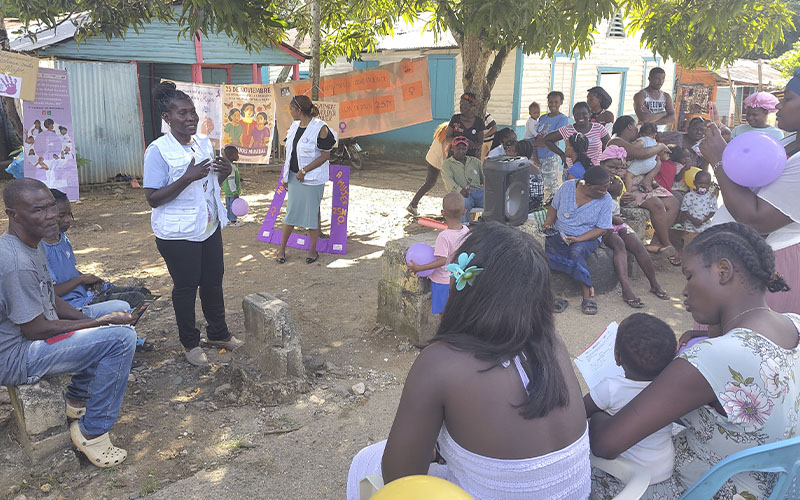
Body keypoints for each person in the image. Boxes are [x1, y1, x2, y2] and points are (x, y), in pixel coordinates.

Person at [346, 222, 591, 500]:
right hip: (578, 494)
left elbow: (400, 480)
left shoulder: (440, 362)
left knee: (365, 461)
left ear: (462, 285)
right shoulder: (553, 343)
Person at [589, 222, 799, 499]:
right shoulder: (794, 324)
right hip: (777, 489)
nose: (685, 291)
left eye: (689, 276)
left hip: (697, 489)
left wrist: (601, 410)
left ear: (723, 271)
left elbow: (605, 444)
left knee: (584, 472)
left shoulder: (713, 357)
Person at [0, 178, 137, 468]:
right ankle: (92, 432)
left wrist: (95, 322)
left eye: (51, 206)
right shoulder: (15, 262)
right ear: (13, 214)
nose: (51, 215)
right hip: (16, 357)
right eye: (38, 210)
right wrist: (98, 323)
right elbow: (35, 329)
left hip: (33, 337)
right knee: (121, 339)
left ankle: (75, 401)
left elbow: (50, 298)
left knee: (110, 328)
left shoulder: (32, 243)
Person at [143, 81, 242, 367]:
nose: (191, 118)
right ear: (167, 118)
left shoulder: (202, 143)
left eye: (193, 112)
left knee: (213, 281)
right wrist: (186, 177)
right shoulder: (158, 151)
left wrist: (223, 173)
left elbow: (208, 186)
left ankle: (218, 334)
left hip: (208, 226)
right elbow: (152, 199)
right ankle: (190, 343)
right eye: (182, 113)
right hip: (177, 234)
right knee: (186, 286)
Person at [699, 69, 800, 315]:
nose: (778, 106)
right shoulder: (790, 143)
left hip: (768, 266)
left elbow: (756, 220)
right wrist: (729, 153)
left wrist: (719, 160)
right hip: (743, 258)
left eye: (788, 98)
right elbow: (751, 185)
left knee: (746, 332)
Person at [42, 189, 152, 349]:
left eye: (69, 214)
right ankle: (118, 340)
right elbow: (51, 293)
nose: (67, 220)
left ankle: (126, 335)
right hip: (73, 305)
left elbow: (69, 270)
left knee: (144, 294)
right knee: (133, 300)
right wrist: (80, 279)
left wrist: (89, 281)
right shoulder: (40, 250)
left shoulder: (62, 238)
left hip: (85, 293)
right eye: (62, 216)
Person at [585, 313, 677, 489]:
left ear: (617, 357)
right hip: (663, 476)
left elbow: (580, 412)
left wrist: (600, 415)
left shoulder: (611, 388)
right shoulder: (671, 390)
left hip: (621, 479)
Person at [542, 166, 613, 315]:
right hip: (561, 233)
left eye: (607, 188)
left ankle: (587, 293)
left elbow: (602, 229)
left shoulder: (606, 199)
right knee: (543, 251)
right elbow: (553, 208)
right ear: (588, 185)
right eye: (601, 189)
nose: (605, 192)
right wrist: (548, 223)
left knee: (576, 252)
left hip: (587, 237)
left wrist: (578, 239)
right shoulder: (567, 187)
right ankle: (551, 297)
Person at [277, 95, 337, 265]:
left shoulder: (320, 128)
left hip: (311, 180)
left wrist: (305, 170)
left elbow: (325, 155)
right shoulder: (294, 126)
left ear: (299, 110)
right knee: (291, 213)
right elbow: (290, 153)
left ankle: (312, 249)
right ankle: (281, 248)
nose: (289, 112)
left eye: (291, 109)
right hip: (294, 177)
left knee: (312, 215)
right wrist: (286, 176)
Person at [607, 117, 678, 254]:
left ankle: (656, 242)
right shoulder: (616, 141)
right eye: (635, 127)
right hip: (627, 189)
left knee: (673, 203)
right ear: (629, 126)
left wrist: (649, 178)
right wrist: (660, 147)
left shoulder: (639, 142)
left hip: (643, 185)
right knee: (657, 204)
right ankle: (667, 244)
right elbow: (641, 153)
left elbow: (656, 160)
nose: (637, 131)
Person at [603, 177, 669, 307]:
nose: (614, 173)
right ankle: (626, 289)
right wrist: (613, 218)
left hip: (618, 223)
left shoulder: (614, 185)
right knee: (619, 245)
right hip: (604, 226)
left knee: (639, 246)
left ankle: (654, 284)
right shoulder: (596, 185)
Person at [407, 193, 470, 314]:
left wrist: (420, 268)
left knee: (443, 312)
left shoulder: (444, 236)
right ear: (464, 212)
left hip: (442, 281)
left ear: (443, 213)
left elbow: (442, 261)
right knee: (455, 310)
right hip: (458, 278)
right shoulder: (466, 231)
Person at [542, 102, 610, 197]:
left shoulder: (598, 128)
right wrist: (562, 154)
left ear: (589, 113)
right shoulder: (567, 130)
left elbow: (609, 146)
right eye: (577, 114)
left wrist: (603, 162)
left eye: (584, 113)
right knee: (573, 195)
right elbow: (547, 140)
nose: (580, 117)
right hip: (574, 171)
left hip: (595, 171)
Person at [407, 122, 449, 216]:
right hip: (435, 161)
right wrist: (446, 167)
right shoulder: (447, 134)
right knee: (431, 183)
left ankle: (413, 204)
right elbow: (443, 153)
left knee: (429, 183)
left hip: (431, 159)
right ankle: (413, 204)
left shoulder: (442, 130)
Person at [442, 136, 484, 222]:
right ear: (452, 149)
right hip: (461, 195)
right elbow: (448, 181)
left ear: (467, 149)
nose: (461, 151)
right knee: (463, 203)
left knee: (494, 202)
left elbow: (486, 177)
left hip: (479, 192)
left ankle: (491, 227)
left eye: (463, 148)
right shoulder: (447, 164)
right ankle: (464, 227)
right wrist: (460, 190)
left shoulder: (475, 162)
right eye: (458, 148)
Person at [531, 91, 569, 184]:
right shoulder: (542, 118)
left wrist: (532, 144)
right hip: (536, 157)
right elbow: (535, 135)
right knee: (534, 185)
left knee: (550, 187)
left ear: (561, 102)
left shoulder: (562, 119)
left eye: (556, 102)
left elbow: (552, 141)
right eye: (551, 102)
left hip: (549, 158)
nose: (553, 104)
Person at [445, 93, 485, 158]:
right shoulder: (455, 119)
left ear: (471, 106)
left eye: (464, 104)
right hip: (454, 157)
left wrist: (473, 145)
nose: (461, 106)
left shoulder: (479, 122)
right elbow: (447, 138)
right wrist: (460, 141)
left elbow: (480, 142)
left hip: (470, 157)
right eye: (460, 104)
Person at [625, 123, 661, 193]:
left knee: (628, 175)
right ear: (654, 135)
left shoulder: (642, 139)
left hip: (643, 163)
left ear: (641, 133)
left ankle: (628, 192)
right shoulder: (654, 142)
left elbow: (634, 148)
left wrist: (631, 146)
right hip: (652, 164)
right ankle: (650, 184)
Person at [221, 145, 244, 227]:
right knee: (233, 206)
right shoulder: (232, 167)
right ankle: (233, 221)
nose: (238, 156)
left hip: (227, 190)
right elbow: (231, 180)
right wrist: (235, 192)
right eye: (236, 154)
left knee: (228, 206)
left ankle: (228, 219)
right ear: (231, 156)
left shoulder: (227, 165)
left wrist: (239, 179)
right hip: (232, 191)